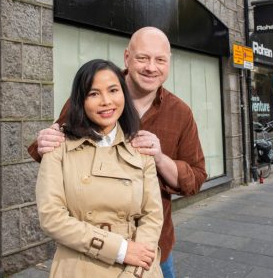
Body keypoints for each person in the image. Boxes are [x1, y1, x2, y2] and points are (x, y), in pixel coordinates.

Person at [29, 27, 207, 278]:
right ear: (127, 58)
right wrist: (44, 140)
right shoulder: (88, 96)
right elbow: (56, 150)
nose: (151, 67)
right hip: (87, 251)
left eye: (160, 60)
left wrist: (159, 158)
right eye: (142, 58)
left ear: (169, 63)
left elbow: (196, 179)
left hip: (152, 247)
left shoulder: (180, 112)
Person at [36, 59, 163, 277]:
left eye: (113, 90)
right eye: (93, 94)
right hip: (78, 263)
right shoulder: (58, 148)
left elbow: (152, 216)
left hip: (137, 265)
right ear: (80, 101)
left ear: (124, 94)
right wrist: (120, 250)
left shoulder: (140, 147)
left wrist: (136, 267)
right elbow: (52, 217)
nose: (106, 101)